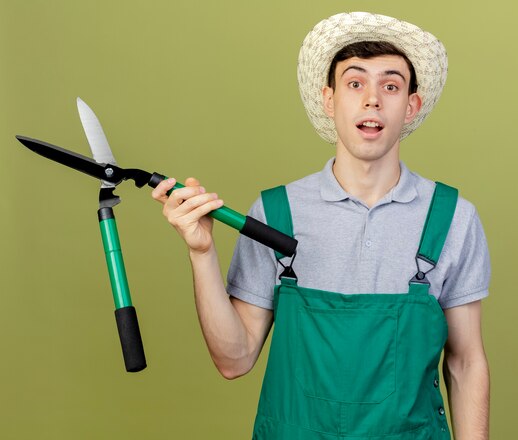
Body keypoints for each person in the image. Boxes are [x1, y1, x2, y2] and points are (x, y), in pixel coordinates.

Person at [152, 12, 490, 440]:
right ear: (330, 100)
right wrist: (201, 253)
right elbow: (233, 361)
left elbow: (465, 363)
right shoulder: (275, 212)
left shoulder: (453, 217)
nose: (372, 100)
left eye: (391, 85)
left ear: (411, 105)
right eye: (355, 83)